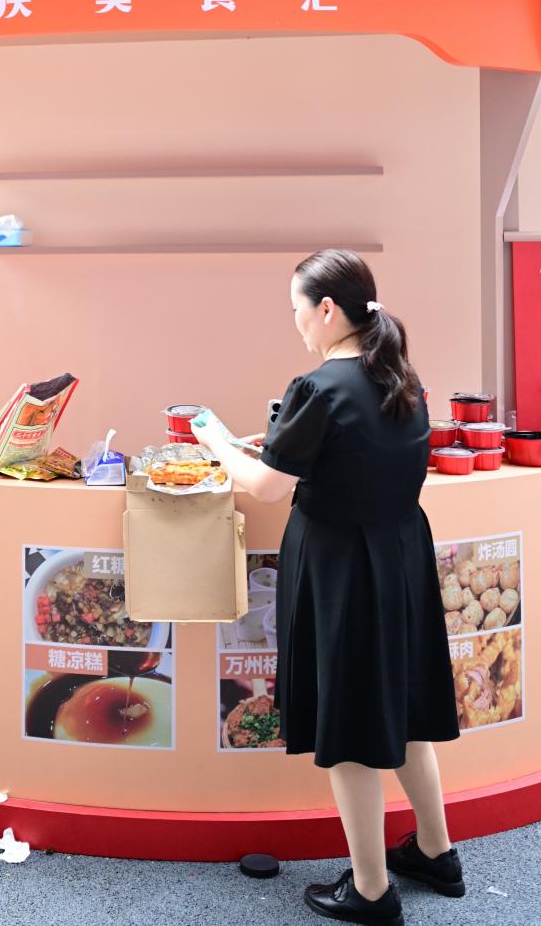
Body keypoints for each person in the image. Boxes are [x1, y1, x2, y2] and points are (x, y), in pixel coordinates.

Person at [194, 250, 462, 926]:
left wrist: (215, 443)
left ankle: (370, 891)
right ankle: (437, 852)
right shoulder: (400, 377)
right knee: (400, 710)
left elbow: (267, 487)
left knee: (349, 724)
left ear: (326, 309)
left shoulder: (320, 386)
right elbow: (351, 455)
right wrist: (275, 445)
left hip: (343, 568)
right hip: (400, 557)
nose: (295, 323)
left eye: (296, 310)